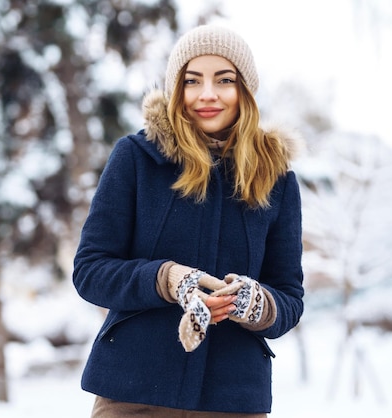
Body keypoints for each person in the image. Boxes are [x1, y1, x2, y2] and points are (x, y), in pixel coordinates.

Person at [73, 24, 304, 417]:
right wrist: (167, 279)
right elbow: (90, 271)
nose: (207, 94)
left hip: (233, 401)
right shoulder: (136, 159)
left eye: (224, 80)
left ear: (244, 90)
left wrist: (255, 303)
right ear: (177, 88)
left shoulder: (276, 179)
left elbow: (289, 298)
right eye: (192, 81)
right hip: (133, 395)